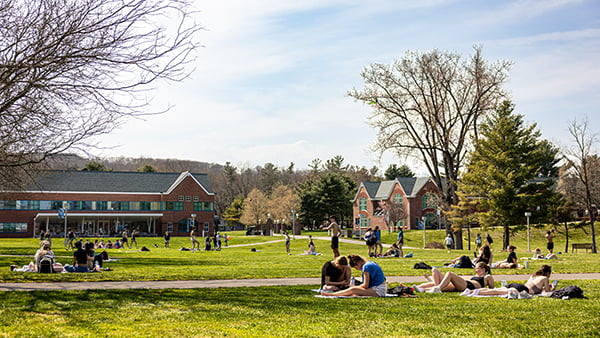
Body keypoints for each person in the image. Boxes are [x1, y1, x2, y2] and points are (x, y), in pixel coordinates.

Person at [464, 265, 556, 297]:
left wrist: (542, 288)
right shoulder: (545, 278)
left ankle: (473, 291)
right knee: (496, 292)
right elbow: (547, 293)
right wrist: (553, 288)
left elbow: (535, 287)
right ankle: (475, 292)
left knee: (498, 289)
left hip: (518, 285)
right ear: (547, 273)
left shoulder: (534, 276)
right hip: (522, 289)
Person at [320, 254, 386, 297]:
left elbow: (365, 285)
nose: (357, 269)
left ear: (357, 263)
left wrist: (354, 287)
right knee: (354, 294)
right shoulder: (370, 263)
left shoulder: (366, 267)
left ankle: (331, 294)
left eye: (355, 267)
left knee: (353, 290)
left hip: (378, 290)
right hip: (378, 288)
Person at [414, 262, 494, 293]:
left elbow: (491, 288)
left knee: (450, 273)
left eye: (477, 268)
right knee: (435, 270)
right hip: (464, 284)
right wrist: (428, 278)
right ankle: (421, 289)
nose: (476, 270)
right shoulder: (475, 276)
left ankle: (437, 288)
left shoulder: (487, 276)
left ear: (483, 269)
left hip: (469, 286)